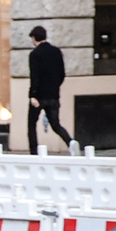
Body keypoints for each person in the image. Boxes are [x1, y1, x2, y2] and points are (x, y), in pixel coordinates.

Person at [24, 26, 72, 154]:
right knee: (56, 125)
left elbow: (35, 76)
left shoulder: (35, 54)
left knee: (31, 124)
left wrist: (33, 94)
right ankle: (70, 142)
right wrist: (54, 87)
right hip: (53, 95)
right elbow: (61, 74)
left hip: (39, 96)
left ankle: (34, 152)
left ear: (34, 38)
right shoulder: (56, 52)